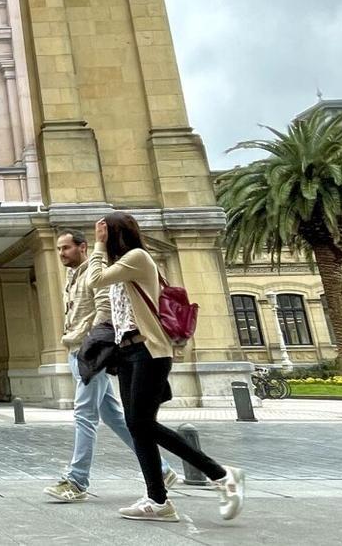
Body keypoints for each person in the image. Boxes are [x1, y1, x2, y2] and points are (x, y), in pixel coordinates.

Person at [86, 212, 244, 522]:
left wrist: (97, 245)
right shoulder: (124, 266)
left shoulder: (137, 257)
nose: (100, 236)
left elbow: (94, 281)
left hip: (149, 352)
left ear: (115, 233)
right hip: (128, 353)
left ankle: (222, 475)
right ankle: (158, 501)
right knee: (137, 426)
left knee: (143, 424)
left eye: (104, 231)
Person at [43, 229, 175, 503]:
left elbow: (105, 311)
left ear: (83, 247)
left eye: (66, 248)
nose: (61, 254)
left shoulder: (95, 272)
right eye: (58, 249)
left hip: (89, 351)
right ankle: (161, 470)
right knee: (115, 417)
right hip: (77, 350)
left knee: (84, 414)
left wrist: (92, 346)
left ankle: (77, 480)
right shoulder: (72, 275)